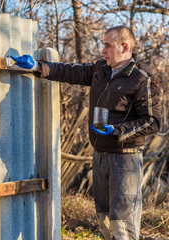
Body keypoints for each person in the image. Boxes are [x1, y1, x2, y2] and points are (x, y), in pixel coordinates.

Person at [11, 26, 161, 240]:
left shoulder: (142, 78)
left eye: (108, 45)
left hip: (125, 160)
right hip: (99, 156)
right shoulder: (101, 69)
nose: (103, 50)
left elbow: (153, 122)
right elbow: (71, 72)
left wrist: (117, 130)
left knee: (122, 225)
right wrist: (37, 66)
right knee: (105, 221)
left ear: (125, 47)